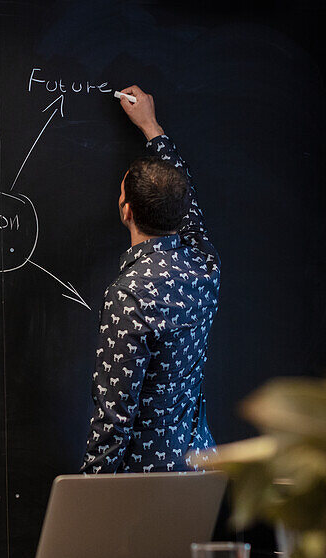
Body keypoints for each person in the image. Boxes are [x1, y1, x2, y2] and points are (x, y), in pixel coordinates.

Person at [82, 86, 220, 474]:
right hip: (199, 465)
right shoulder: (205, 264)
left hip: (145, 482)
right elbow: (189, 208)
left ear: (125, 209)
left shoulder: (129, 295)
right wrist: (151, 126)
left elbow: (114, 417)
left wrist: (87, 494)